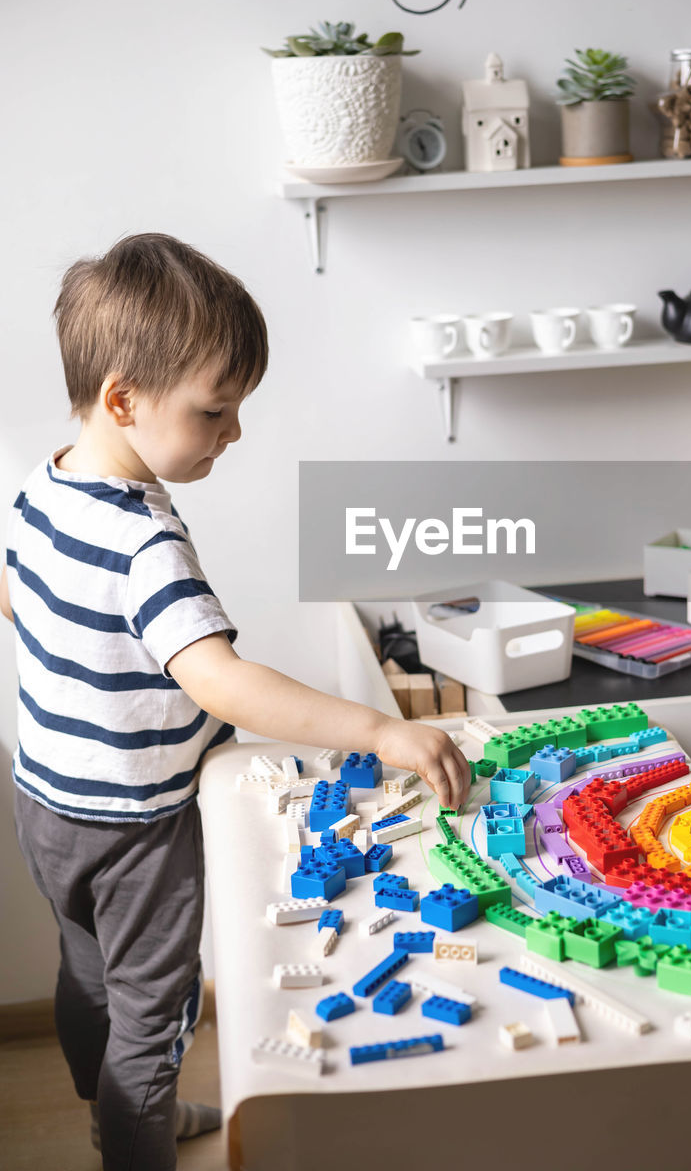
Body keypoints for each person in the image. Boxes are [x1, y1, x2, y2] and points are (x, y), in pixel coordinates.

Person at [0, 232, 470, 1171]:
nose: (234, 433)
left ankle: (109, 1116)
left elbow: (15, 590)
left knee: (87, 975)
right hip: (135, 824)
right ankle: (134, 1139)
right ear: (124, 399)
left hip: (44, 801)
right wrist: (380, 726)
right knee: (155, 1010)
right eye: (216, 411)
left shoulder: (39, 488)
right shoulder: (145, 548)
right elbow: (215, 675)